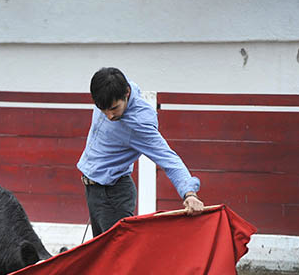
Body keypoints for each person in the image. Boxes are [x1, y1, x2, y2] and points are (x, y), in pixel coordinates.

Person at [77, 67, 204, 237]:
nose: (109, 116)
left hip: (112, 195)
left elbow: (168, 157)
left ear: (127, 93)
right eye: (103, 110)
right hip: (95, 191)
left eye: (114, 108)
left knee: (117, 259)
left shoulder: (138, 124)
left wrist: (189, 193)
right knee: (104, 258)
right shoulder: (111, 88)